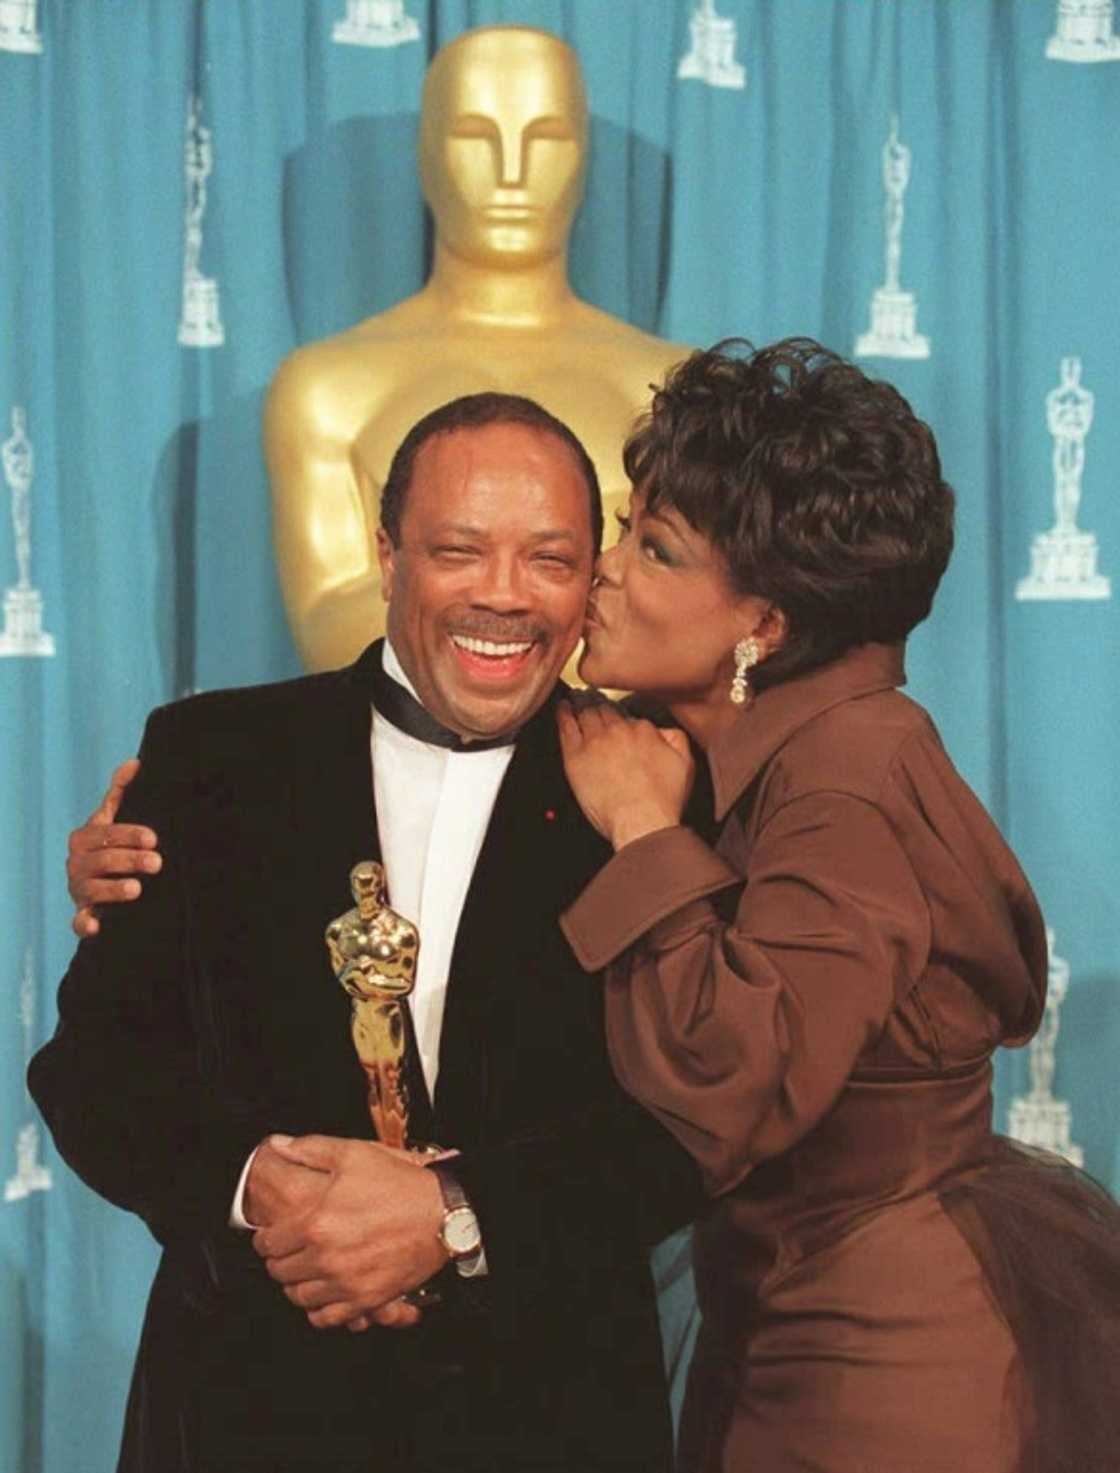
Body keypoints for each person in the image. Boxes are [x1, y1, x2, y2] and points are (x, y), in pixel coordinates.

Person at [31, 393, 701, 1473]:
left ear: (592, 581)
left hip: (553, 1422)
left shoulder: (653, 787)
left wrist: (457, 1211)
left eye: (548, 559)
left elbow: (694, 1124)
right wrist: (256, 1187)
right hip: (244, 1413)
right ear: (385, 554)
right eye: (457, 550)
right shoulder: (211, 758)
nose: (503, 595)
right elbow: (94, 1074)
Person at [553, 338, 1120, 1473]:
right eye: (624, 529)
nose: (602, 571)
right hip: (791, 1316)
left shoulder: (846, 774)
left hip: (884, 1366)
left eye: (653, 549)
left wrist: (645, 834)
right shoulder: (753, 750)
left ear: (760, 626)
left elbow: (734, 1081)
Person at [266, 23, 687, 673]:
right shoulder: (325, 388)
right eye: (474, 136)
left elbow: (692, 615)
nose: (512, 173)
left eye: (545, 139)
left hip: (631, 761)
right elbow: (328, 623)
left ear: (585, 156)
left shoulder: (672, 385)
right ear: (425, 152)